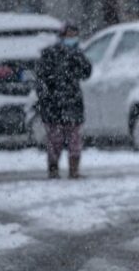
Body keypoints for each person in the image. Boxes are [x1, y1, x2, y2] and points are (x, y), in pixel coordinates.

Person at [36, 23, 92, 179]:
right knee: (55, 139)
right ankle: (53, 169)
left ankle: (74, 170)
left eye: (75, 35)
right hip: (54, 104)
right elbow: (42, 79)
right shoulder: (50, 54)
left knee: (74, 138)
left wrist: (78, 57)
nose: (72, 38)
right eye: (69, 35)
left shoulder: (76, 54)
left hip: (72, 102)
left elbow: (86, 72)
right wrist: (45, 98)